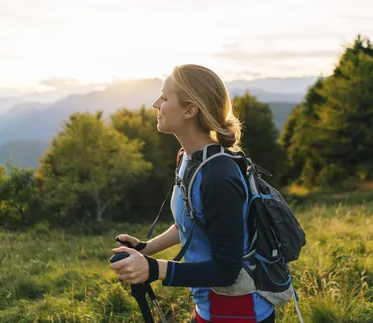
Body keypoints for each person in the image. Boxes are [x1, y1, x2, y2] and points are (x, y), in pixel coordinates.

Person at [110, 64, 275, 322]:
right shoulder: (187, 159)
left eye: (164, 98)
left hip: (239, 313)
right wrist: (146, 248)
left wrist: (153, 269)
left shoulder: (219, 176)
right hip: (208, 307)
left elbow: (226, 270)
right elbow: (193, 221)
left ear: (190, 110)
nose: (156, 104)